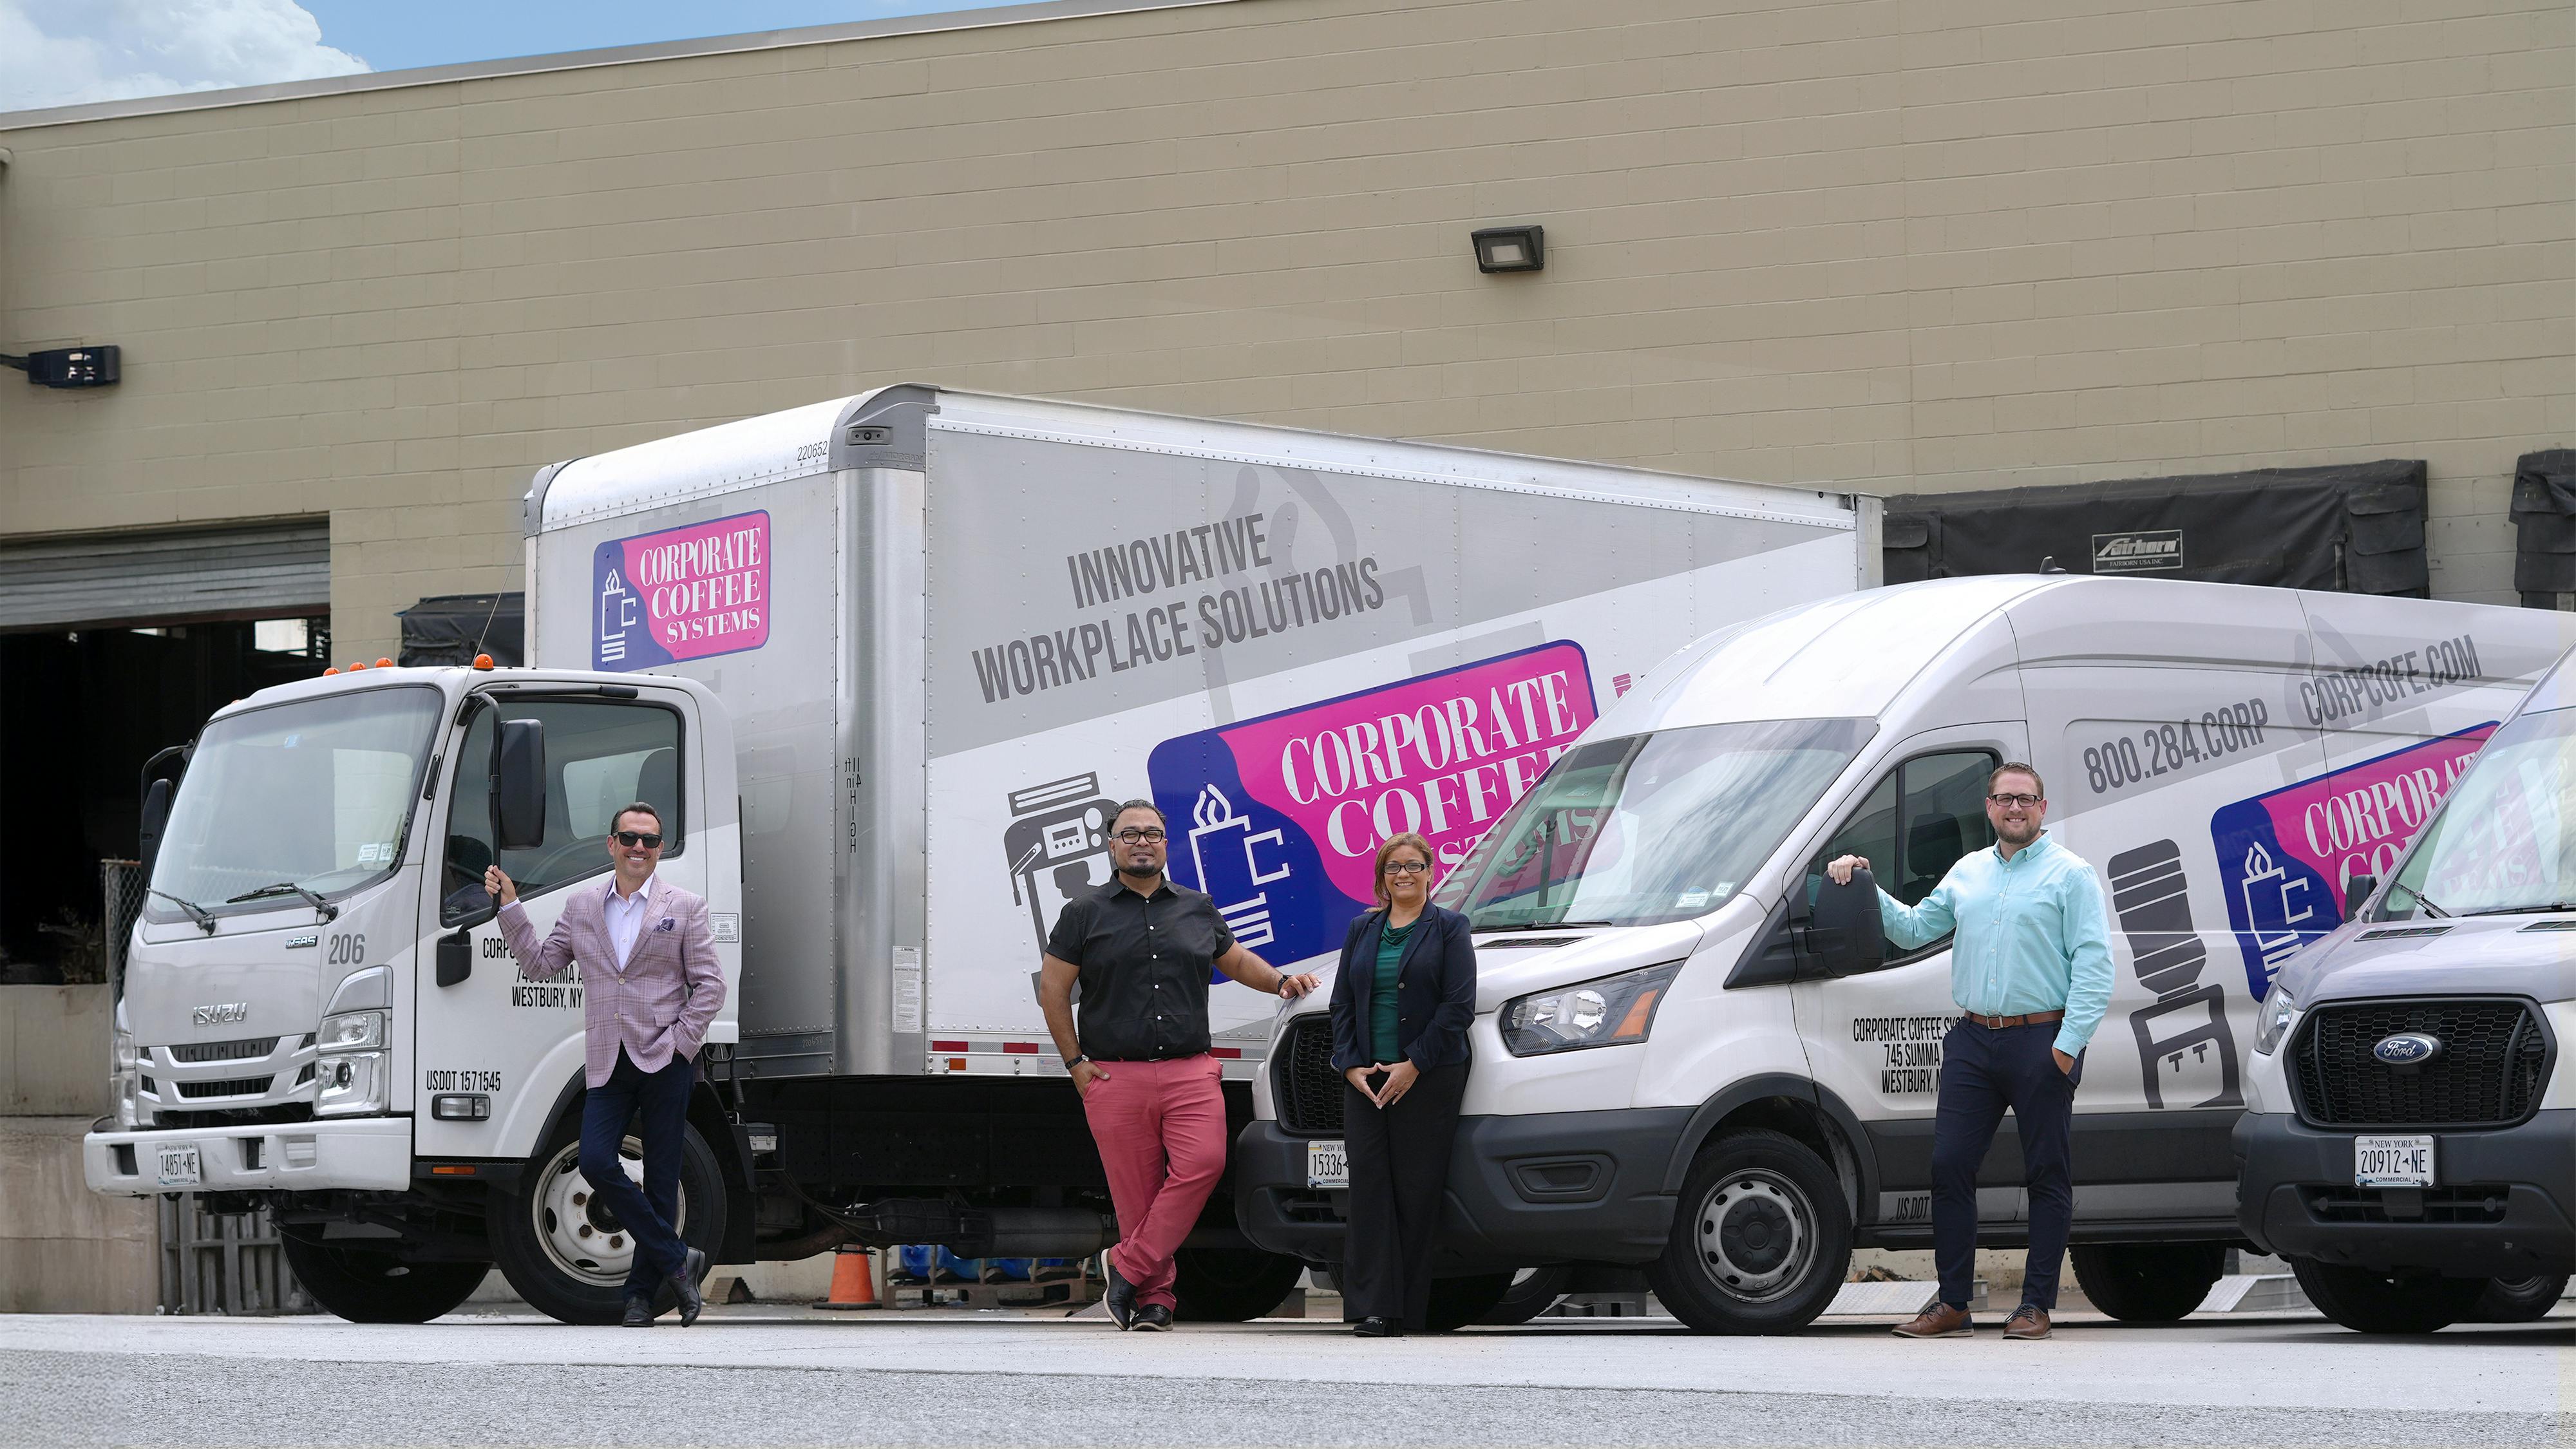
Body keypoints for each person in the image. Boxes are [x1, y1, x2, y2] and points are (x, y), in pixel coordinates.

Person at [1826, 763, 2112, 1341]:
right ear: (1988, 807)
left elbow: (2095, 968)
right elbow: (1910, 930)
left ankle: (2035, 1305)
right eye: (2005, 799)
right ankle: (1954, 1303)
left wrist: (2065, 1049)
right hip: (1974, 1040)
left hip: (2041, 1040)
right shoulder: (1969, 872)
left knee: (2046, 1175)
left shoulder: (2071, 876)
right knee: (1949, 1165)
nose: (2015, 809)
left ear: (2042, 807)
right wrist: (1862, 879)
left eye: (2025, 800)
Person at [1037, 800, 1320, 1331]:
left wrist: (1281, 981)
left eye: (1152, 833)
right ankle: (1156, 1301)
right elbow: (1053, 991)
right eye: (1130, 834)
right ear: (1112, 844)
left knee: (1205, 1166)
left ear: (1166, 843)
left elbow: (1235, 960)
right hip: (1115, 1075)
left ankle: (1127, 1266)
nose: (1142, 841)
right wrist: (1074, 1062)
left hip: (1191, 1071)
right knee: (1136, 1198)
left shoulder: (1196, 907)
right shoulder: (1084, 912)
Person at [486, 802, 725, 1329]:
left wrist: (681, 1044)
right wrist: (511, 907)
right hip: (607, 1060)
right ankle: (676, 1257)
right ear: (611, 845)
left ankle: (642, 1297)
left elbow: (710, 985)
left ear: (660, 850)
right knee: (596, 1161)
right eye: (629, 838)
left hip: (666, 1059)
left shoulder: (684, 906)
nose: (640, 848)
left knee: (662, 1183)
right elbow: (540, 965)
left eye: (651, 841)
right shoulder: (581, 907)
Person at [1327, 832, 1477, 1336]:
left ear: (1431, 872)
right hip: (1366, 1080)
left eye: (1413, 866)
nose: (1404, 875)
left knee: (1415, 1191)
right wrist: (1348, 1064)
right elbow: (1343, 1003)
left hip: (1428, 1077)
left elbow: (1458, 1009)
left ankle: (1407, 1311)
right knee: (1368, 1190)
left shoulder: (1451, 928)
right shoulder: (1362, 929)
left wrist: (1414, 1064)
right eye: (1393, 868)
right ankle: (1373, 1308)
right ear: (1382, 878)